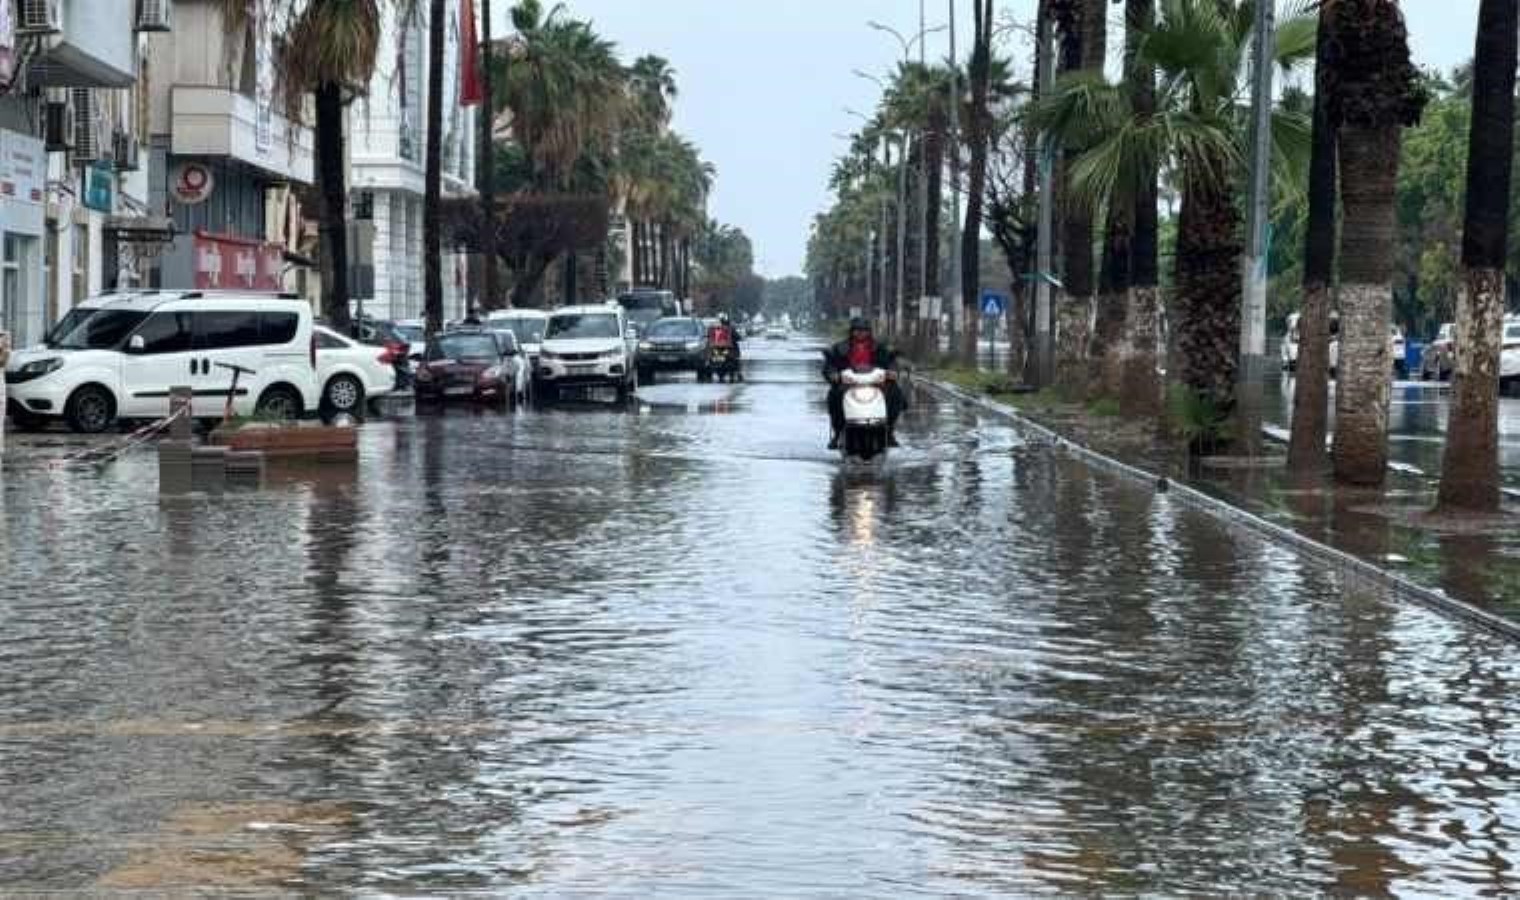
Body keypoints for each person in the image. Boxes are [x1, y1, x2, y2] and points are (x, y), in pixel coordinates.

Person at [822, 317, 905, 449]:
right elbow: (830, 364)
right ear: (852, 331)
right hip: (849, 383)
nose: (861, 333)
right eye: (857, 330)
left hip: (876, 383)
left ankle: (888, 431)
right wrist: (834, 375)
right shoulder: (839, 348)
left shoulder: (880, 348)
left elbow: (891, 361)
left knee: (895, 394)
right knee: (835, 396)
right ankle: (838, 433)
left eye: (864, 330)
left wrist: (892, 372)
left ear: (869, 332)